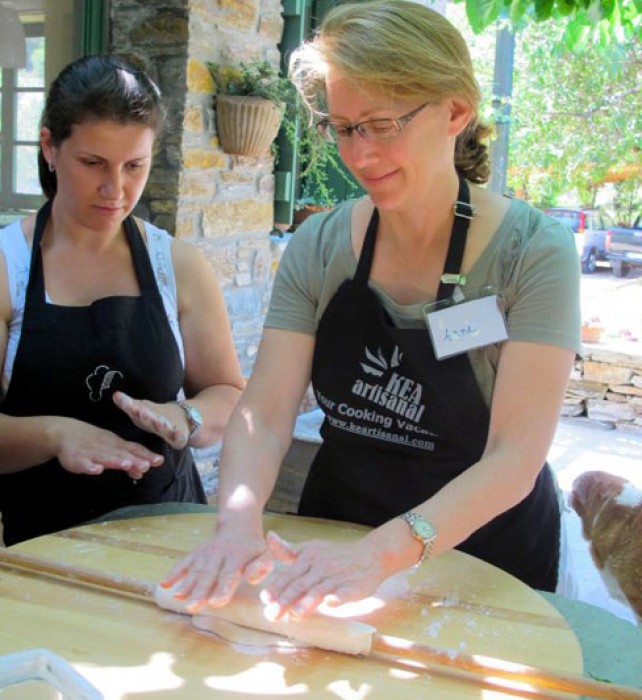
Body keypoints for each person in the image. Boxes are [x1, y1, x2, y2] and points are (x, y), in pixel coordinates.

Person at [164, 0, 581, 615]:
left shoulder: (534, 254)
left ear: (456, 111)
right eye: (343, 127)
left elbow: (514, 459)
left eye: (383, 125)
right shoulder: (320, 245)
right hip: (337, 539)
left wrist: (382, 556)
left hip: (487, 561)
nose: (359, 155)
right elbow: (266, 412)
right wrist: (236, 520)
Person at [0, 55, 245, 546]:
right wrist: (56, 436)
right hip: (42, 546)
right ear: (49, 145)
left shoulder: (178, 266)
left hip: (169, 531)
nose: (116, 189)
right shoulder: (8, 267)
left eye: (135, 166)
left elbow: (229, 396)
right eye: (93, 164)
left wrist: (185, 417)